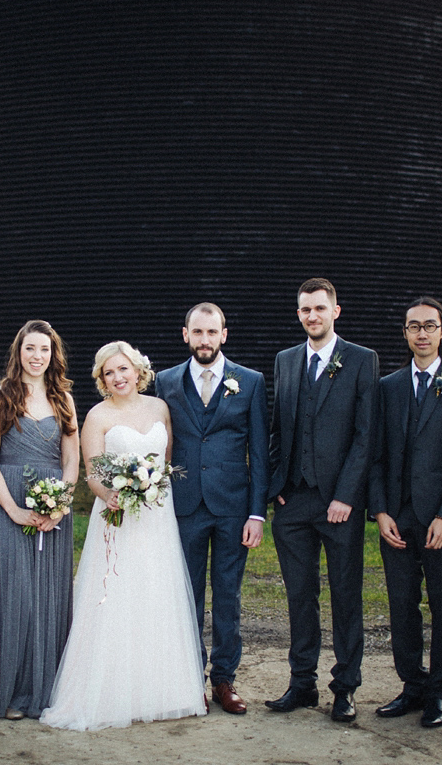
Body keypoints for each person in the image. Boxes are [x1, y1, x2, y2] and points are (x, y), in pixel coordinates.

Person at [40, 342, 208, 731]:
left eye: (123, 370)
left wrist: (150, 486)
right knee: (116, 595)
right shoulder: (97, 416)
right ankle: (110, 690)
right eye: (109, 373)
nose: (118, 378)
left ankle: (163, 691)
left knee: (155, 593)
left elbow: (165, 461)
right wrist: (111, 494)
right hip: (116, 515)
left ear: (138, 371)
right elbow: (93, 472)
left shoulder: (159, 408)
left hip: (155, 515)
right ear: (102, 379)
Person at [266, 278, 378, 722]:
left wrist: (347, 495)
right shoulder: (286, 360)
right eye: (304, 310)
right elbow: (278, 428)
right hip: (293, 502)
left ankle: (346, 687)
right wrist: (276, 484)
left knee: (346, 596)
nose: (312, 316)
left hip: (339, 504)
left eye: (319, 308)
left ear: (335, 310)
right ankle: (302, 683)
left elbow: (366, 435)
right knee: (299, 595)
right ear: (298, 315)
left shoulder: (361, 360)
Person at [366, 297, 442, 728]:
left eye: (429, 326)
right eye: (413, 326)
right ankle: (412, 686)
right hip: (396, 518)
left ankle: (440, 693)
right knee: (401, 604)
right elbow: (374, 457)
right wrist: (379, 511)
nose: (421, 334)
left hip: (439, 520)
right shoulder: (388, 387)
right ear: (405, 333)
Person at [154, 303, 269, 714]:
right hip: (182, 507)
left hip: (232, 508)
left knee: (227, 597)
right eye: (197, 332)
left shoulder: (250, 382)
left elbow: (259, 450)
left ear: (224, 334)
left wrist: (257, 513)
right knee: (184, 597)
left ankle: (224, 680)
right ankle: (188, 679)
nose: (205, 340)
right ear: (185, 334)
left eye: (212, 332)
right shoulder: (164, 382)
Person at [0, 321, 80, 719]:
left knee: (47, 596)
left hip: (54, 507)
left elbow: (72, 459)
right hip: (8, 500)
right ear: (18, 352)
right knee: (12, 595)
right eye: (30, 348)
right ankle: (10, 692)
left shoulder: (64, 399)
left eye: (45, 350)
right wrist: (14, 509)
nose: (37, 356)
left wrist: (61, 503)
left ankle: (44, 690)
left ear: (54, 355)